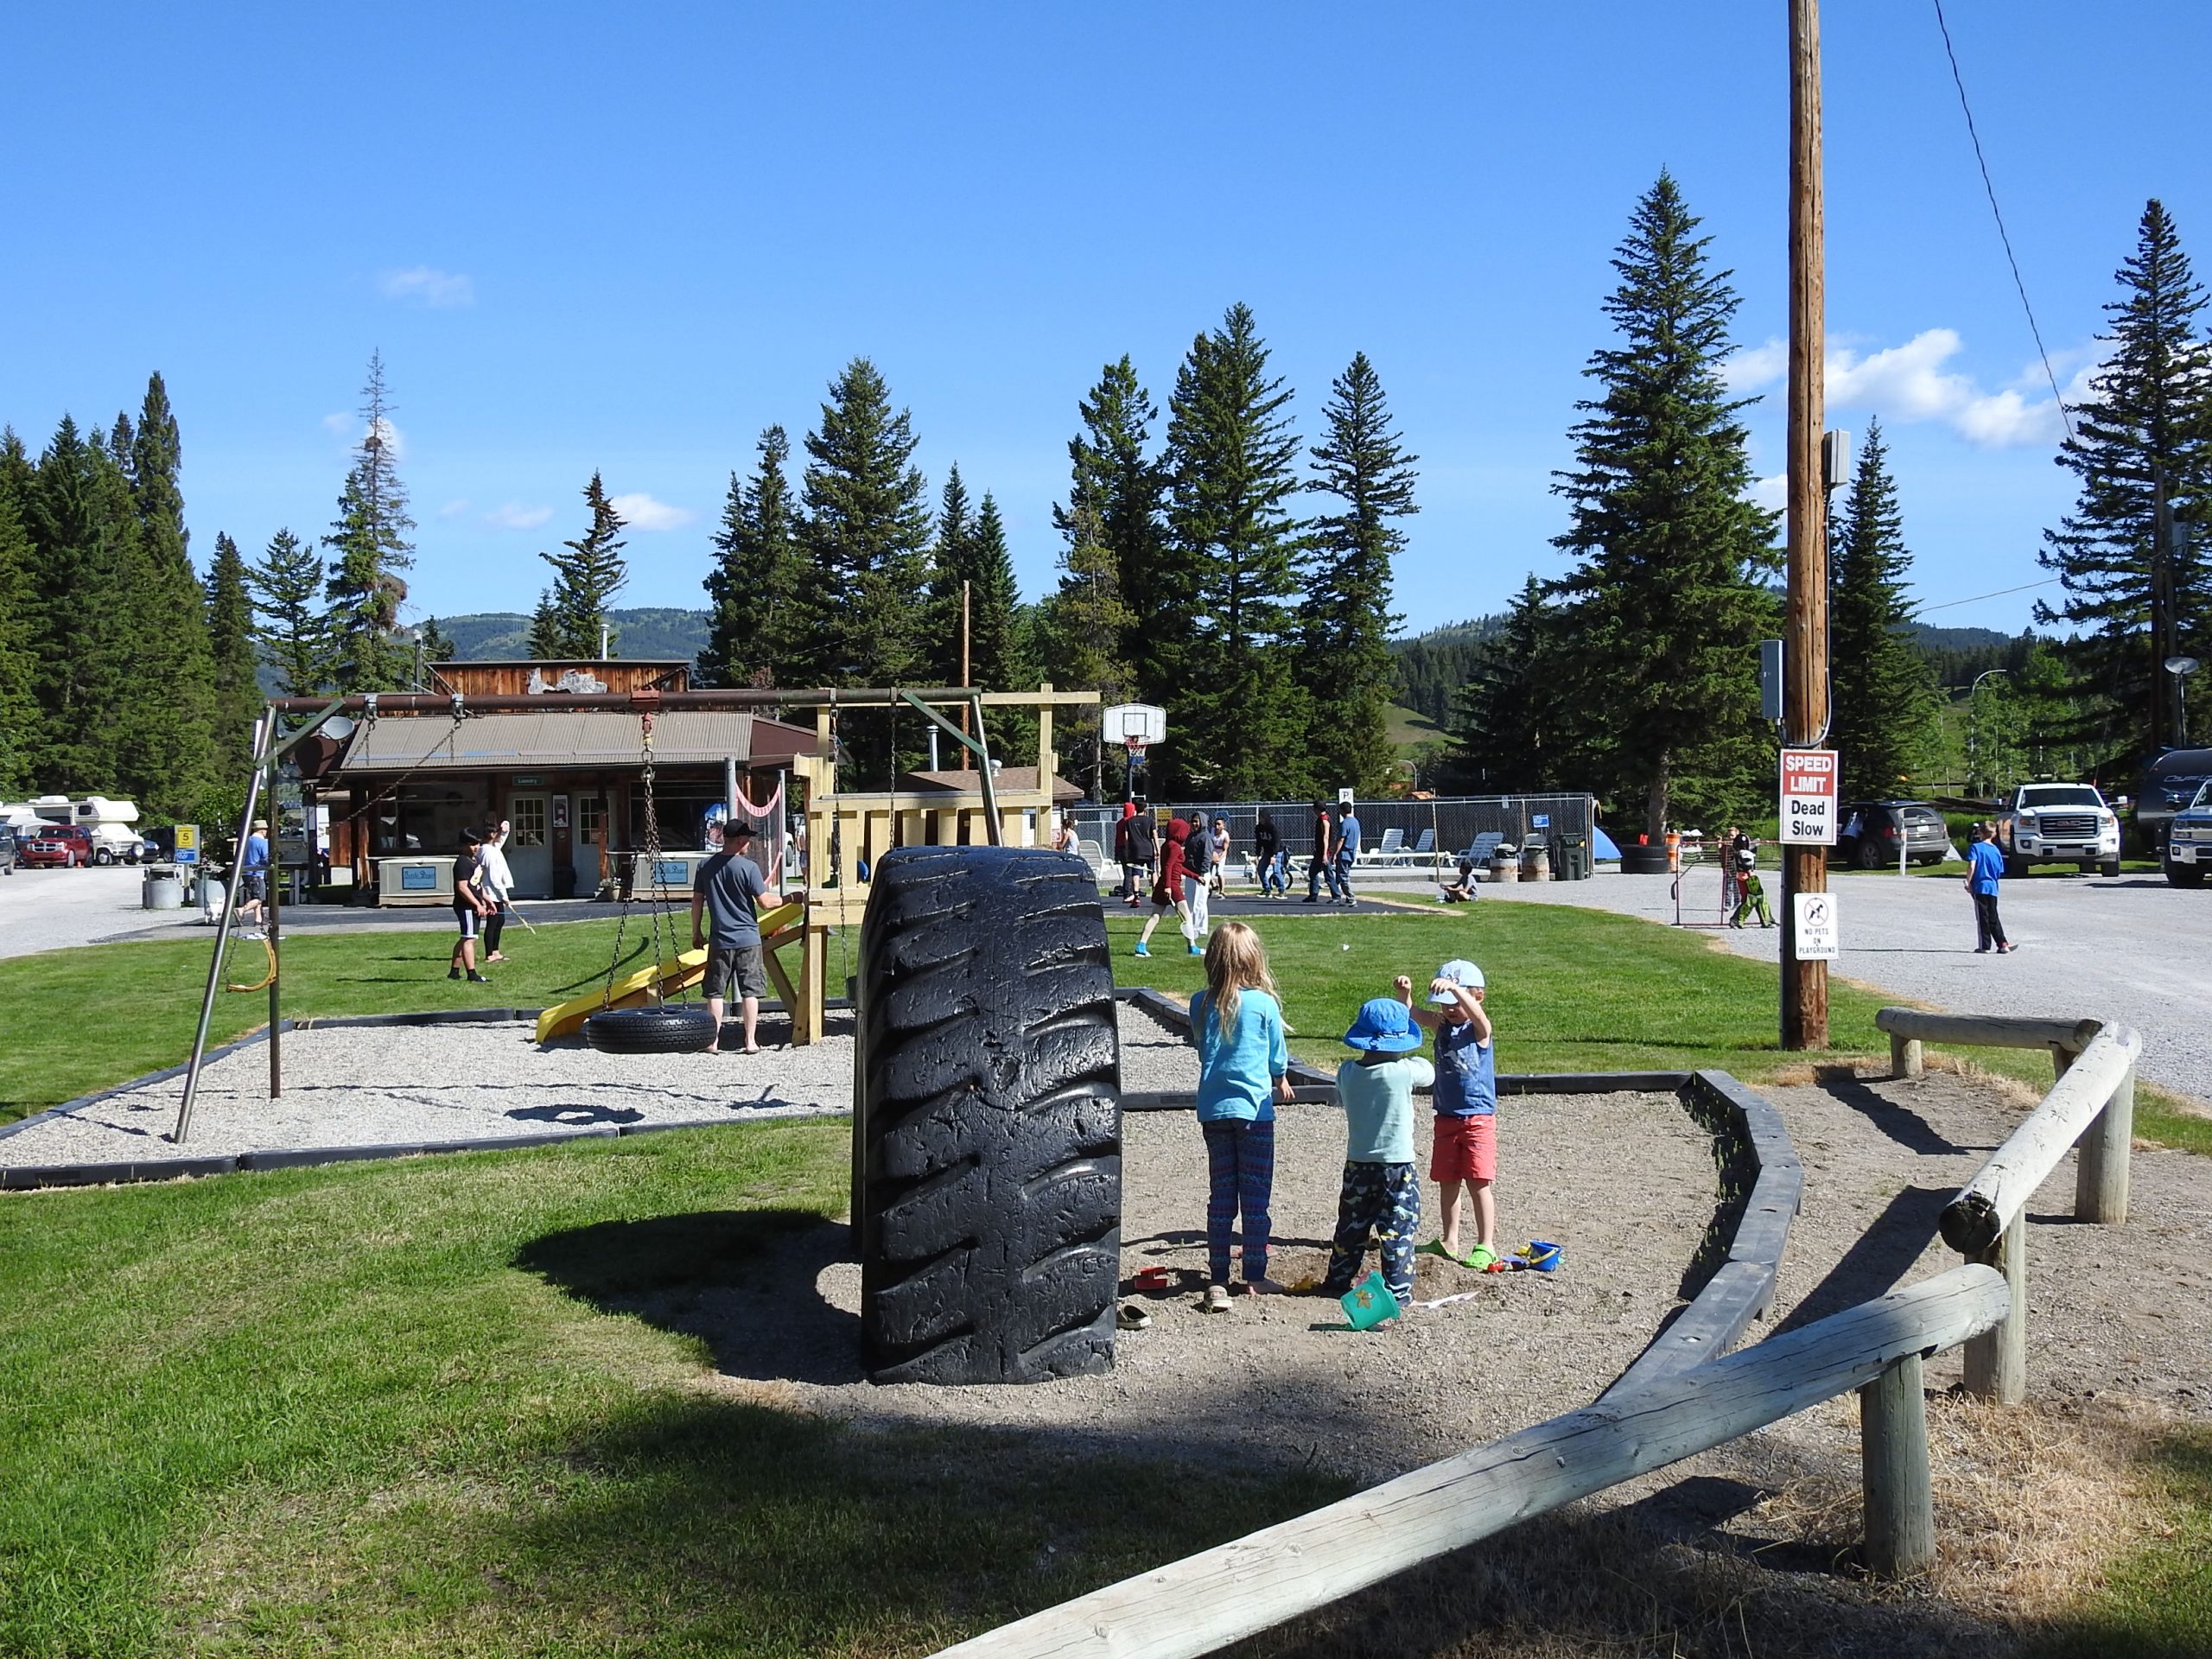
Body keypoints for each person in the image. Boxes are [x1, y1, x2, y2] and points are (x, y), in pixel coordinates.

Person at [1190, 923, 1294, 1311]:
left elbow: (1204, 1050)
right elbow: (1276, 1056)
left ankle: (1217, 1277)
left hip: (1214, 1110)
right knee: (1254, 1196)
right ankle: (1254, 1274)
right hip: (1254, 1111)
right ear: (1253, 960)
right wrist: (1279, 1079)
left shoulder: (1199, 1002)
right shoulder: (1264, 1004)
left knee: (1221, 1195)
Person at [1321, 996, 1434, 1310]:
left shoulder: (1346, 1072)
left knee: (1350, 1228)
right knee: (1398, 1229)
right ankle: (1398, 1291)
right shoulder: (1402, 1072)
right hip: (1397, 1166)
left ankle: (1337, 1281)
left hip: (1358, 1162)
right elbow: (1429, 1071)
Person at [1404, 961, 1499, 1268]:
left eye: (1455, 1003)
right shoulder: (1442, 1025)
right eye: (1444, 1004)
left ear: (1477, 996)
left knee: (1478, 1181)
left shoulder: (1479, 1030)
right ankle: (1449, 1240)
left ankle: (1486, 1244)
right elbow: (1412, 1013)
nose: (1449, 1009)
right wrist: (1404, 994)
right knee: (1448, 1180)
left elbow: (1480, 1017)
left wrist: (1457, 989)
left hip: (1477, 1118)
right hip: (1446, 1116)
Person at [691, 821, 774, 1052]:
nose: (749, 842)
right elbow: (766, 902)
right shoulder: (749, 868)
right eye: (747, 839)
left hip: (719, 939)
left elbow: (698, 900)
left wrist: (696, 931)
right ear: (739, 841)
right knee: (750, 991)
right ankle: (750, 1042)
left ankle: (712, 1041)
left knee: (715, 992)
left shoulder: (705, 866)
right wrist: (794, 898)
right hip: (748, 938)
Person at [1135, 817, 1192, 957]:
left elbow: (1177, 868)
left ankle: (1141, 945)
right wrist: (1168, 887)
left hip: (1164, 884)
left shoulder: (1167, 845)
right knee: (1187, 917)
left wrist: (1196, 877)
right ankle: (1193, 946)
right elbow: (1168, 867)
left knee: (1155, 916)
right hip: (1172, 885)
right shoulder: (1175, 847)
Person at [448, 828, 493, 982]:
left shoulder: (474, 861)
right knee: (470, 938)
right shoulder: (462, 862)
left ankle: (454, 971)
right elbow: (462, 888)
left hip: (473, 905)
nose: (476, 847)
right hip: (465, 906)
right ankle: (472, 974)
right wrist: (477, 905)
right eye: (472, 844)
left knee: (466, 937)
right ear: (463, 845)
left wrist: (488, 901)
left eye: (477, 844)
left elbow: (476, 886)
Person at [1966, 822, 2014, 954]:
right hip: (1993, 887)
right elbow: (1999, 871)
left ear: (1980, 833)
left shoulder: (1975, 847)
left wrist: (1968, 882)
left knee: (1983, 917)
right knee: (1993, 916)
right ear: (1994, 834)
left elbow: (1972, 866)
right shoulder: (1996, 850)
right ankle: (2002, 943)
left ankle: (1985, 946)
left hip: (1980, 885)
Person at [479, 819, 517, 963]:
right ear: (493, 834)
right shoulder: (489, 853)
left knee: (500, 921)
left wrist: (505, 830)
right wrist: (505, 896)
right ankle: (489, 954)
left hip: (494, 893)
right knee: (493, 923)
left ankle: (496, 951)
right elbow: (495, 879)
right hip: (492, 894)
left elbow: (499, 843)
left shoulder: (490, 849)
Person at [1181, 812, 1214, 945]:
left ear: (1203, 822)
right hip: (1191, 873)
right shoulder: (1191, 836)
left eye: (1197, 821)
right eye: (1193, 821)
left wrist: (1202, 873)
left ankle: (1200, 928)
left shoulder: (1205, 837)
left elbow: (1207, 856)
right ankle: (1192, 926)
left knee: (1199, 902)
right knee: (1189, 901)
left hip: (1201, 873)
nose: (1194, 824)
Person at [1728, 839, 1773, 928]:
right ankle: (1736, 920)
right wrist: (1751, 875)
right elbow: (1747, 865)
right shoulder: (1744, 853)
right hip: (1748, 878)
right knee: (1755, 899)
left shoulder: (1738, 853)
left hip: (1741, 878)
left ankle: (1766, 920)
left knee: (1754, 899)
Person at [238, 817, 271, 938]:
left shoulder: (247, 840)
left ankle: (258, 919)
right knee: (259, 898)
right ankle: (241, 910)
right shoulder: (262, 842)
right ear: (262, 830)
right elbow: (266, 858)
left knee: (254, 895)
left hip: (246, 872)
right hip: (257, 873)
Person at [1305, 801, 1343, 903]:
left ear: (1317, 809)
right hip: (1319, 852)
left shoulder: (1324, 820)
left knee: (1328, 874)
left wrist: (1325, 854)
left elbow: (1326, 837)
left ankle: (1336, 896)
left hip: (1325, 852)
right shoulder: (1320, 819)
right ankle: (1313, 894)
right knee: (1313, 872)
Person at [1122, 803, 1158, 911]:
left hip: (1135, 850)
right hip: (1148, 848)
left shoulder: (1129, 821)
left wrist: (1128, 850)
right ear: (1145, 809)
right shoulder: (1150, 821)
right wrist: (1157, 849)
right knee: (1152, 871)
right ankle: (1155, 894)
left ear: (1136, 809)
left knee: (1136, 873)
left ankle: (1136, 896)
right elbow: (1154, 835)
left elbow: (1126, 838)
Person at [1113, 803, 1144, 904]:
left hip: (1120, 849)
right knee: (1130, 873)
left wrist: (1116, 852)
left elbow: (1117, 838)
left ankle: (1129, 891)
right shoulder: (1130, 822)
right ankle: (1127, 893)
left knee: (1126, 871)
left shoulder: (1119, 823)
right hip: (1129, 849)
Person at [1334, 802, 1362, 906]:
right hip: (1351, 853)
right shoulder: (1355, 822)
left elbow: (1341, 840)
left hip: (1344, 853)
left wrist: (1335, 853)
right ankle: (1346, 898)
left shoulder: (1345, 823)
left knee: (1343, 877)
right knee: (1343, 875)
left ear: (1341, 810)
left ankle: (1351, 898)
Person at [1252, 810, 1284, 896]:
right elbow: (1259, 842)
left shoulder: (1273, 828)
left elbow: (1276, 842)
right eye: (1260, 818)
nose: (1261, 820)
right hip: (1267, 852)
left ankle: (1282, 891)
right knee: (1260, 869)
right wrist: (1257, 854)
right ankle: (1267, 889)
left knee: (1276, 871)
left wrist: (1274, 855)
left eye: (1262, 818)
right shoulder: (1258, 828)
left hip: (1276, 851)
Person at [1208, 815, 1232, 894]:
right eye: (1215, 824)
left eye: (1219, 824)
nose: (1217, 826)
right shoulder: (1211, 831)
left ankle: (1222, 891)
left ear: (1223, 826)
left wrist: (1219, 858)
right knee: (1207, 873)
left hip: (1220, 855)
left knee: (1219, 873)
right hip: (1210, 854)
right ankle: (1214, 885)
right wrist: (1211, 856)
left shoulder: (1225, 835)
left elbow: (1225, 850)